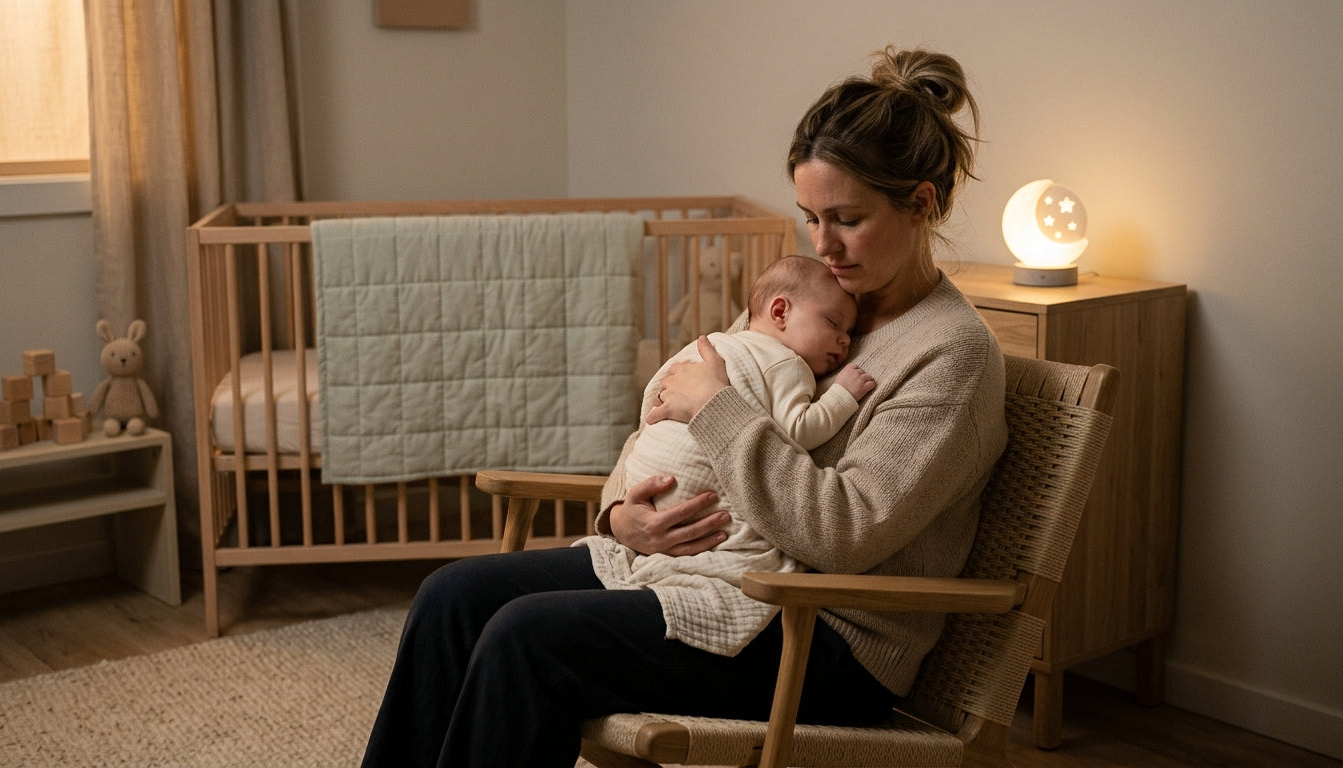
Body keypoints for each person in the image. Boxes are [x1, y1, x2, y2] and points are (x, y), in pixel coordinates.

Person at [360, 45, 1008, 768]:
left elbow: (841, 532)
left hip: (821, 640)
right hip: (707, 575)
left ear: (919, 203)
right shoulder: (813, 303)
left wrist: (722, 408)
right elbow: (674, 420)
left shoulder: (951, 354)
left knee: (526, 638)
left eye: (846, 220)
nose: (823, 245)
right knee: (454, 597)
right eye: (810, 218)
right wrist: (621, 516)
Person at [584, 254, 876, 657]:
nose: (845, 340)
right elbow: (798, 430)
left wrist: (708, 404)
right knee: (468, 592)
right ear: (779, 312)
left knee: (518, 627)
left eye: (849, 331)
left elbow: (658, 405)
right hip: (656, 529)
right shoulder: (789, 363)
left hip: (658, 500)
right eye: (834, 324)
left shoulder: (723, 341)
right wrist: (842, 395)